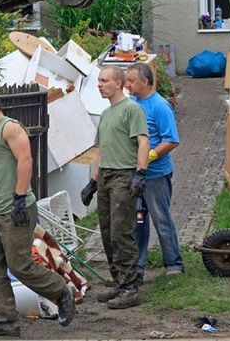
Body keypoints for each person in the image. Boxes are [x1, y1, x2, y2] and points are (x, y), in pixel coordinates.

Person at [0, 87, 75, 336]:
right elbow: (2, 174)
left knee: (20, 265)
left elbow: (26, 160)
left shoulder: (10, 128)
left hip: (17, 209)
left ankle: (61, 291)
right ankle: (5, 320)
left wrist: (18, 197)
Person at [80, 66, 149, 309]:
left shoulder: (132, 109)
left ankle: (130, 287)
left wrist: (140, 173)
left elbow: (143, 141)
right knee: (107, 232)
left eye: (104, 80)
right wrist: (93, 181)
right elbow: (102, 150)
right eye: (98, 80)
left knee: (122, 232)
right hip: (107, 177)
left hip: (124, 175)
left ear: (118, 83)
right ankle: (119, 282)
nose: (99, 85)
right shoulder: (107, 113)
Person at [125, 63, 183, 285]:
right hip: (137, 174)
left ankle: (174, 263)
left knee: (161, 218)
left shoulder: (159, 106)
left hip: (156, 175)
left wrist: (148, 156)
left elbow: (171, 140)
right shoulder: (133, 103)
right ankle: (138, 266)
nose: (127, 85)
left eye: (131, 81)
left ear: (145, 82)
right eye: (126, 81)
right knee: (138, 221)